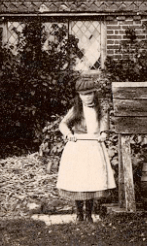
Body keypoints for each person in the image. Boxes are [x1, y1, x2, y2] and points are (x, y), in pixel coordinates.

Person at [56, 76, 117, 222]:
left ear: (95, 93)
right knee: (79, 179)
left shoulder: (101, 108)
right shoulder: (76, 109)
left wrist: (103, 133)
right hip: (78, 147)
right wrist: (69, 134)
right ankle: (79, 214)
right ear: (79, 95)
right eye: (84, 94)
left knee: (91, 179)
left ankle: (89, 214)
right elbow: (63, 124)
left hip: (94, 146)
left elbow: (104, 122)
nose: (87, 97)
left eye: (90, 94)